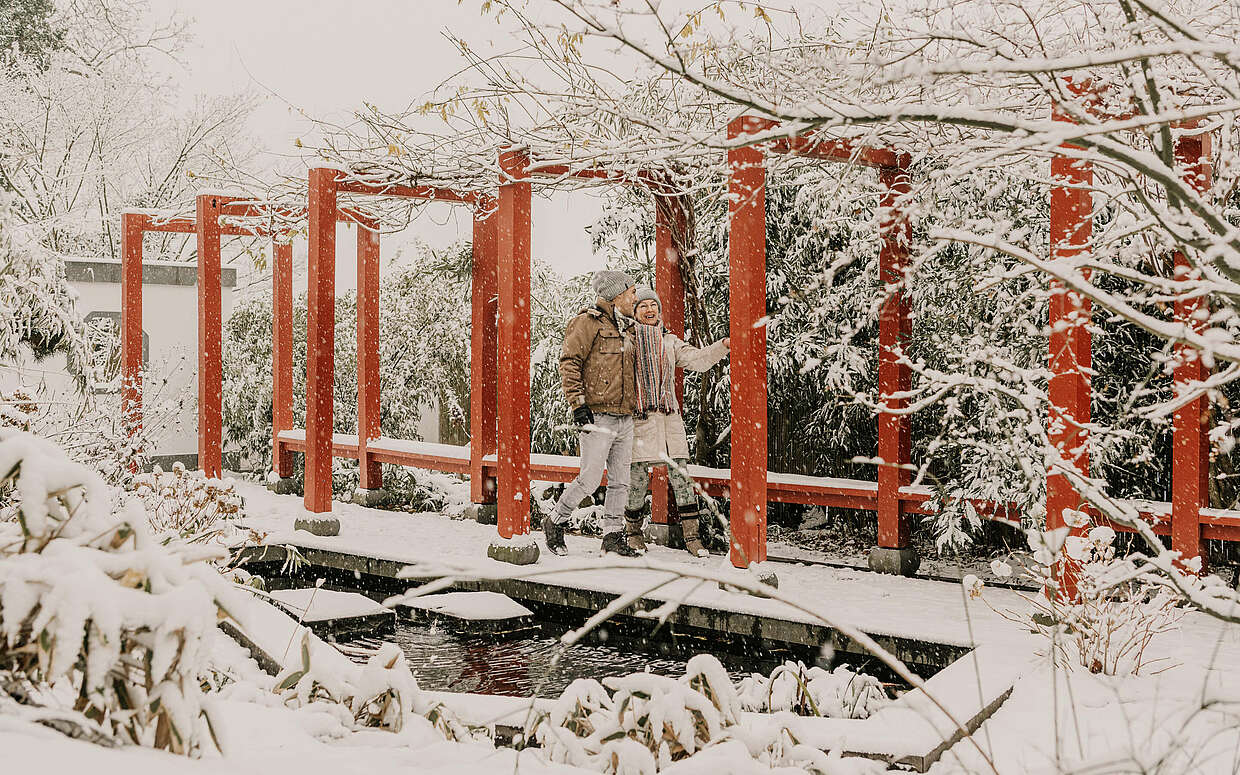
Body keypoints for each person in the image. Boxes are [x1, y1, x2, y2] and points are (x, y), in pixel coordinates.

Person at [624, 286, 729, 557]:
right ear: (634, 312)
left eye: (653, 305)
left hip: (669, 419)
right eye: (643, 306)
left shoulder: (670, 341)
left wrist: (722, 346)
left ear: (659, 310)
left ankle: (692, 538)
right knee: (636, 480)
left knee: (681, 477)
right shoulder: (627, 340)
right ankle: (633, 533)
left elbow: (696, 359)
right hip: (640, 418)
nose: (649, 310)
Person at [543, 270, 641, 557]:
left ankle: (612, 536)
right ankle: (555, 520)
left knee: (621, 481)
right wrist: (578, 404)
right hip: (597, 416)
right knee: (589, 478)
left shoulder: (628, 327)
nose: (635, 298)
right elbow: (569, 362)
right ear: (617, 295)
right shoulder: (587, 323)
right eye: (632, 292)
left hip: (625, 416)